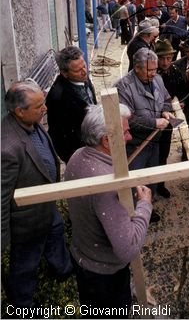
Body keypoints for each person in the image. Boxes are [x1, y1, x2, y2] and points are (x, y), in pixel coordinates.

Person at [65, 104, 152, 317]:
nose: (130, 136)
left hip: (84, 260)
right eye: (125, 132)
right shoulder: (106, 185)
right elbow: (128, 248)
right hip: (104, 276)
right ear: (106, 140)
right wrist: (144, 206)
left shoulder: (77, 155)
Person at [2, 81, 73, 307]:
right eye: (39, 106)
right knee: (25, 264)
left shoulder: (32, 121)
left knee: (56, 234)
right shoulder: (7, 149)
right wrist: (4, 239)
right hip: (27, 222)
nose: (45, 109)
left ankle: (63, 270)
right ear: (19, 111)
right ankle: (22, 305)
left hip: (47, 206)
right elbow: (2, 199)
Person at [114, 48, 174, 223]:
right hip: (135, 146)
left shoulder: (158, 79)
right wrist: (154, 123)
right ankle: (132, 216)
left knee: (151, 180)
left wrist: (166, 111)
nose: (153, 74)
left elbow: (167, 99)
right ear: (136, 68)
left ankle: (147, 208)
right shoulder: (123, 87)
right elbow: (126, 120)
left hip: (154, 143)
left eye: (155, 70)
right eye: (149, 71)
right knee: (134, 183)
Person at [46, 46, 97, 163]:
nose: (84, 72)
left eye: (84, 65)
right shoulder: (58, 97)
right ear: (64, 73)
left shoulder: (83, 78)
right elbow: (58, 135)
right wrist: (74, 158)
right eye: (77, 70)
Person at [155, 39, 188, 198]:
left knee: (163, 153)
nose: (165, 62)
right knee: (150, 155)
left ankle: (160, 184)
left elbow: (184, 91)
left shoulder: (175, 72)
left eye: (168, 58)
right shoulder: (151, 72)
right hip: (152, 121)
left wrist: (182, 102)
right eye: (162, 58)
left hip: (168, 120)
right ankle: (149, 186)